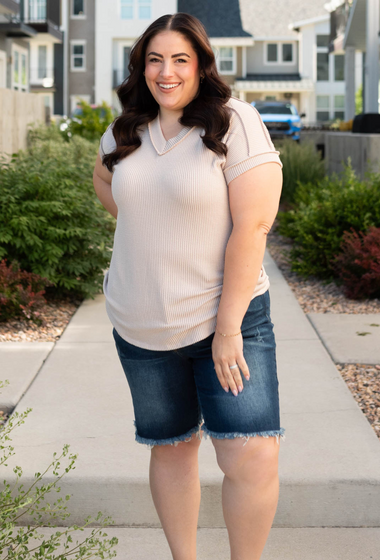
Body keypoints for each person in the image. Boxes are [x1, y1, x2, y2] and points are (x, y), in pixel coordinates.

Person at [93, 12, 285, 560]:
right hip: (140, 325)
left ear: (201, 65)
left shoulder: (233, 122)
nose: (166, 71)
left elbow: (253, 225)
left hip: (227, 321)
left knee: (250, 456)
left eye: (180, 59)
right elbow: (105, 181)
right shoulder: (126, 129)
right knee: (172, 449)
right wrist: (142, 218)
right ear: (141, 68)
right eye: (154, 59)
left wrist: (228, 331)